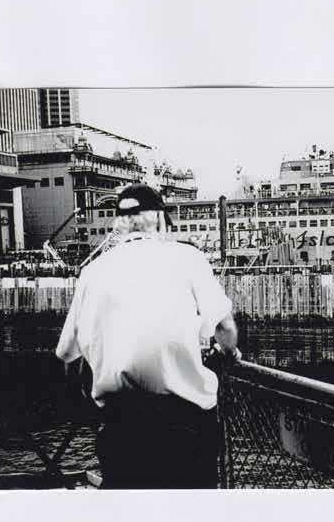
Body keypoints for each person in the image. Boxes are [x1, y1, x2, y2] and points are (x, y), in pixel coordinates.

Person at [55, 183, 240, 488]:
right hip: (184, 421)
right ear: (159, 218)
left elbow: (67, 355)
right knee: (193, 510)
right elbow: (225, 328)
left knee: (130, 512)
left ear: (120, 222)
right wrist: (229, 353)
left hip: (120, 424)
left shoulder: (92, 272)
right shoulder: (187, 257)